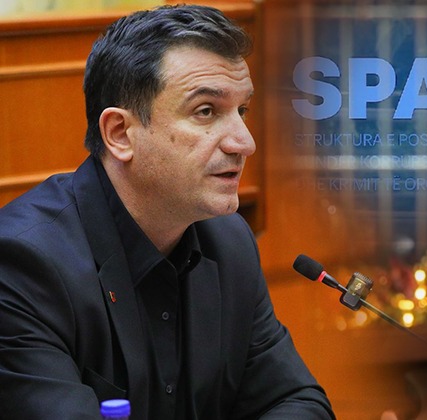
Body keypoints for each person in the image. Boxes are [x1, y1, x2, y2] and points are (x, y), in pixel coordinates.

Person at [0, 5, 334, 419]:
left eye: (241, 111)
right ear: (120, 134)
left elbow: (298, 401)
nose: (244, 143)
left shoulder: (229, 240)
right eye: (206, 111)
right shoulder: (22, 266)